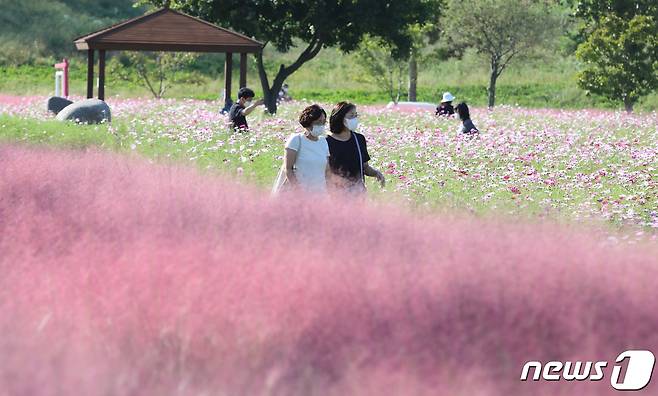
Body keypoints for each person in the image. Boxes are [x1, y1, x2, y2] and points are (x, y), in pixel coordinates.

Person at [326, 102, 385, 194]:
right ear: (340, 118)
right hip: (335, 194)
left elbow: (365, 167)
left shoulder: (359, 139)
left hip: (358, 192)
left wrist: (376, 173)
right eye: (351, 116)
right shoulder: (326, 142)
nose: (355, 118)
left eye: (356, 115)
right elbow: (326, 172)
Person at [272, 104, 330, 195]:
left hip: (319, 194)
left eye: (324, 122)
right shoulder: (296, 139)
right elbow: (288, 169)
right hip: (297, 194)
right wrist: (298, 192)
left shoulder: (323, 141)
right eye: (318, 122)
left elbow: (327, 170)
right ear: (309, 122)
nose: (322, 125)